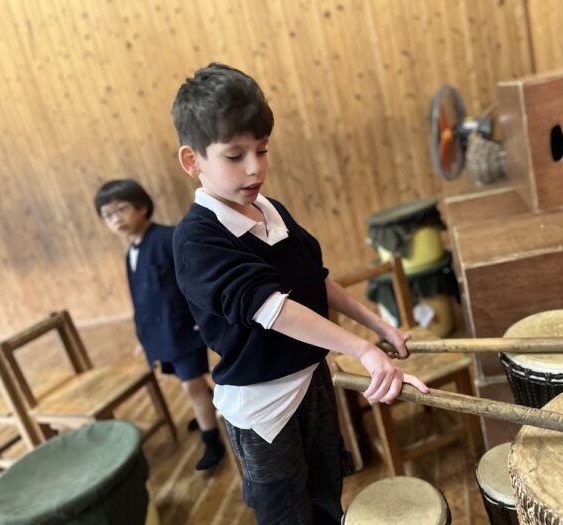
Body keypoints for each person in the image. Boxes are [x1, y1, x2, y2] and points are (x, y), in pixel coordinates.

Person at [170, 63, 429, 524]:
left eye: (262, 150)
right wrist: (362, 350)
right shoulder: (197, 238)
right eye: (235, 156)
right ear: (193, 161)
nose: (255, 167)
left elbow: (314, 280)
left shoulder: (269, 209)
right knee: (286, 514)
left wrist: (379, 325)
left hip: (311, 379)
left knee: (327, 492)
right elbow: (274, 310)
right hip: (263, 407)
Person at [94, 179, 225, 471]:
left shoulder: (169, 238)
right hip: (163, 333)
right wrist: (143, 337)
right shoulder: (131, 253)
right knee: (191, 383)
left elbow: (192, 284)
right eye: (108, 215)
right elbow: (142, 301)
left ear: (142, 207)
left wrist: (202, 322)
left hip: (184, 330)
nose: (116, 219)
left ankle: (212, 440)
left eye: (122, 209)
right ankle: (210, 406)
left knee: (191, 385)